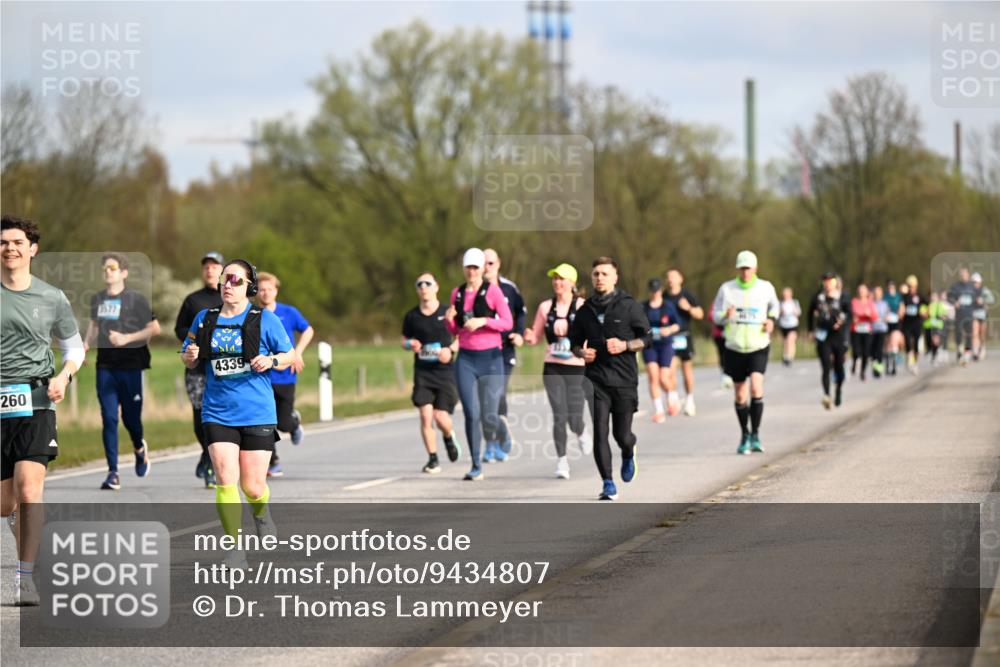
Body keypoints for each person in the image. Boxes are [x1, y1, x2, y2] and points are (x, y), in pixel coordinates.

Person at [180, 259, 295, 569]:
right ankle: (234, 550)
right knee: (225, 479)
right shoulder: (205, 319)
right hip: (217, 411)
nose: (227, 284)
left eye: (235, 280)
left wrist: (271, 361)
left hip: (257, 411)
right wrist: (189, 356)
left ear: (250, 287)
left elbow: (290, 355)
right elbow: (188, 355)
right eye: (224, 279)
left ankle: (262, 513)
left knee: (253, 487)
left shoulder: (264, 319)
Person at [1, 215, 85, 605]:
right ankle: (17, 522)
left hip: (36, 403)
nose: (9, 248)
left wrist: (64, 376)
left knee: (30, 489)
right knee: (6, 503)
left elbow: (75, 348)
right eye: (3, 243)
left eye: (17, 242)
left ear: (32, 249)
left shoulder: (52, 297)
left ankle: (25, 579)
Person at [568, 257, 650, 500]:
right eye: (596, 274)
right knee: (600, 431)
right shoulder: (585, 310)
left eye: (604, 273)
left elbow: (647, 339)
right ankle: (607, 483)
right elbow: (573, 343)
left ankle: (628, 450)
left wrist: (626, 345)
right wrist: (581, 353)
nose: (599, 278)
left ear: (615, 277)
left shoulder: (629, 305)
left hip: (624, 378)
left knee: (621, 435)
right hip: (596, 379)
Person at [84, 252, 158, 490]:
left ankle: (139, 448)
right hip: (105, 366)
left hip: (131, 366)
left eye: (112, 268)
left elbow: (154, 328)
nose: (108, 271)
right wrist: (84, 346)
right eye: (105, 268)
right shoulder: (97, 299)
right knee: (109, 417)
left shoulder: (136, 299)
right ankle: (113, 472)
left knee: (131, 418)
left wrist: (127, 338)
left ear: (124, 272)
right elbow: (94, 325)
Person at [445, 248, 513, 480]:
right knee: (471, 414)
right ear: (464, 269)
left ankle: (500, 430)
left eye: (476, 267)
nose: (472, 271)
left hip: (492, 359)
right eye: (468, 267)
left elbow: (507, 322)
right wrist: (449, 321)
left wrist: (483, 320)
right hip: (466, 359)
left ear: (483, 268)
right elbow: (456, 329)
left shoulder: (493, 292)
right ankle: (476, 465)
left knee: (489, 415)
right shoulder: (457, 294)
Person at [524, 263, 591, 479]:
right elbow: (536, 336)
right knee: (559, 414)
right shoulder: (545, 307)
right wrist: (528, 338)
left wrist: (588, 350)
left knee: (574, 417)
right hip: (552, 366)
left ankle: (581, 431)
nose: (557, 282)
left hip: (576, 367)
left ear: (572, 282)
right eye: (554, 278)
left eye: (561, 278)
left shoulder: (582, 306)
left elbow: (591, 334)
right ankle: (562, 461)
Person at [711, 250, 780, 455]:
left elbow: (774, 306)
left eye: (748, 268)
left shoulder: (765, 287)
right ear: (737, 269)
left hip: (758, 345)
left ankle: (756, 434)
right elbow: (715, 316)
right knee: (740, 394)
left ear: (755, 268)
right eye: (742, 268)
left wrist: (771, 320)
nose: (745, 272)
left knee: (756, 388)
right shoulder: (727, 289)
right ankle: (745, 434)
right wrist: (725, 315)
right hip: (734, 346)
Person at [401, 272, 461, 474]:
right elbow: (404, 340)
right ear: (417, 290)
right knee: (426, 416)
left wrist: (450, 350)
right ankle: (433, 459)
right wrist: (410, 344)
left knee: (441, 417)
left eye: (428, 283)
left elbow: (463, 337)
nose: (424, 287)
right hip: (423, 372)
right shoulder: (412, 316)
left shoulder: (448, 312)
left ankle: (448, 435)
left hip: (445, 372)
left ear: (436, 287)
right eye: (420, 284)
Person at [255, 272, 313, 478]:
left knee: (282, 423)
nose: (265, 292)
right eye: (261, 289)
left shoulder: (288, 312)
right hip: (262, 377)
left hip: (286, 375)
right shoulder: (252, 315)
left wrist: (298, 353)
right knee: (264, 421)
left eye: (269, 289)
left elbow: (308, 330)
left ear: (276, 291)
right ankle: (274, 461)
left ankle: (294, 423)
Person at [174, 251, 224, 488]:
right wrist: (196, 338)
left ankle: (211, 464)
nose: (210, 270)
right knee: (198, 420)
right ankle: (207, 454)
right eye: (206, 266)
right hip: (196, 368)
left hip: (222, 369)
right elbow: (179, 328)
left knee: (216, 419)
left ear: (222, 270)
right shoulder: (192, 300)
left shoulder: (229, 298)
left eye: (214, 266)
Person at [482, 249, 526, 460]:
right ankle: (490, 443)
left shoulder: (509, 289)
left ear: (498, 264)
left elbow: (521, 312)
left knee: (497, 393)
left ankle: (500, 440)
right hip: (482, 350)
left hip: (505, 349)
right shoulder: (474, 291)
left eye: (490, 263)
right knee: (483, 398)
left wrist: (518, 333)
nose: (487, 267)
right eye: (483, 263)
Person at [664, 268, 705, 415]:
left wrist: (688, 307)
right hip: (669, 337)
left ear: (680, 279)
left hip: (684, 336)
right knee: (669, 370)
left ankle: (689, 400)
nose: (670, 279)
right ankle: (674, 397)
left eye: (673, 276)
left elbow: (700, 314)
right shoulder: (664, 296)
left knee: (687, 370)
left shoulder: (687, 295)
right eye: (668, 277)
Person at [808, 272, 851, 409]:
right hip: (823, 335)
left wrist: (842, 321)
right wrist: (810, 330)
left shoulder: (843, 297)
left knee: (839, 367)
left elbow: (850, 314)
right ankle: (827, 395)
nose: (827, 284)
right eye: (824, 281)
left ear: (834, 282)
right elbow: (810, 312)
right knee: (826, 366)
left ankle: (838, 390)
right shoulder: (818, 297)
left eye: (829, 281)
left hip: (839, 336)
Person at [642, 278, 682, 422]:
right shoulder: (644, 307)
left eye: (657, 291)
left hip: (665, 344)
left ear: (661, 290)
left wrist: (669, 329)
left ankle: (672, 396)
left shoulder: (668, 306)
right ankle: (659, 410)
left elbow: (677, 324)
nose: (654, 294)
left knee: (664, 377)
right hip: (650, 345)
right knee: (653, 376)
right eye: (652, 291)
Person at [947, 267, 977, 366]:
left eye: (965, 274)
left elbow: (977, 299)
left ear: (968, 275)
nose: (963, 276)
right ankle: (959, 350)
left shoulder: (972, 287)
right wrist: (954, 302)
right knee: (959, 335)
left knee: (969, 335)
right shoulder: (956, 287)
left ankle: (967, 355)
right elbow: (949, 297)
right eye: (962, 274)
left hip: (969, 315)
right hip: (959, 315)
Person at [849, 283, 878, 382]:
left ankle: (863, 371)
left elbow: (875, 317)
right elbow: (851, 315)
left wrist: (868, 315)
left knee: (866, 353)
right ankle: (854, 363)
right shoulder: (854, 302)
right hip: (856, 329)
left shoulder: (870, 303)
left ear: (866, 292)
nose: (861, 293)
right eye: (859, 291)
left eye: (863, 291)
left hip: (867, 330)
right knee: (856, 351)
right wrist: (854, 319)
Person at [901, 275, 927, 374]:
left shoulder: (920, 296)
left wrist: (925, 312)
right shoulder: (904, 296)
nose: (911, 288)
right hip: (907, 323)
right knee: (907, 342)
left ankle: (915, 363)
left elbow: (928, 303)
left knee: (916, 344)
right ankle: (908, 358)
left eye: (913, 286)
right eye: (909, 286)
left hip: (917, 323)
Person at [971, 272, 995, 361]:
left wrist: (983, 300)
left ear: (980, 282)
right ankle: (975, 352)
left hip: (983, 314)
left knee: (982, 334)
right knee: (975, 332)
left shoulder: (984, 290)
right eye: (974, 282)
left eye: (977, 282)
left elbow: (992, 300)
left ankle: (982, 347)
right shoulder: (970, 291)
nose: (975, 284)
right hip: (974, 314)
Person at [883, 280, 904, 376]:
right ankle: (888, 364)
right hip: (887, 321)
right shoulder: (885, 297)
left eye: (892, 286)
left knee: (894, 342)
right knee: (887, 343)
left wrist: (900, 313)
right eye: (889, 287)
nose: (890, 288)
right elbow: (883, 308)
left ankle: (894, 365)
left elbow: (902, 307)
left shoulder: (898, 296)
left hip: (896, 321)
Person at [778, 287, 802, 366]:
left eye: (787, 294)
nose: (786, 295)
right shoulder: (780, 303)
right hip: (784, 325)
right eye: (784, 294)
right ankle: (785, 356)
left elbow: (798, 313)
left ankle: (790, 357)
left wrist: (794, 311)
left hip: (793, 324)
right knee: (785, 342)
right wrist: (781, 312)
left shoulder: (794, 302)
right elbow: (777, 314)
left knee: (790, 340)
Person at [923, 292, 947, 365]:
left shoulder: (940, 305)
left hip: (937, 326)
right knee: (929, 340)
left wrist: (941, 316)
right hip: (928, 325)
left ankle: (935, 354)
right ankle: (930, 351)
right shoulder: (926, 304)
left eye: (935, 296)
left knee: (935, 340)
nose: (933, 298)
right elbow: (924, 315)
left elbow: (945, 315)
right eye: (932, 296)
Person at [871, 285, 889, 378]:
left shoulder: (884, 304)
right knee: (873, 349)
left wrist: (885, 318)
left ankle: (879, 367)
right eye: (875, 293)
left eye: (879, 293)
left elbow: (887, 314)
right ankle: (875, 365)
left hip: (882, 328)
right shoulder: (871, 303)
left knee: (879, 348)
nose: (877, 295)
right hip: (873, 329)